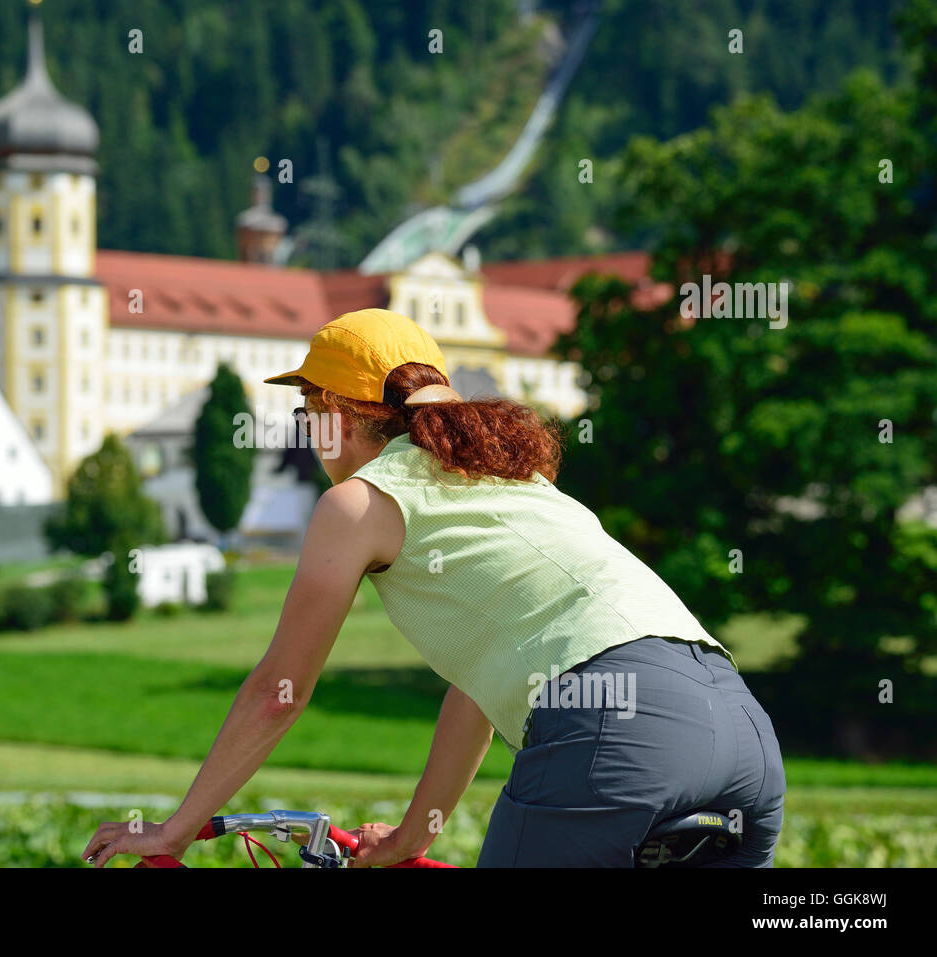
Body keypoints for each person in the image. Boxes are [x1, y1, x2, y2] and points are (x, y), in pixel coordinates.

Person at [82, 308, 785, 868]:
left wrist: (174, 829)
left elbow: (278, 692)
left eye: (306, 408)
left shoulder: (358, 503)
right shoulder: (517, 481)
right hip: (744, 734)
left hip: (616, 737)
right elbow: (474, 685)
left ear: (334, 409)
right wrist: (409, 838)